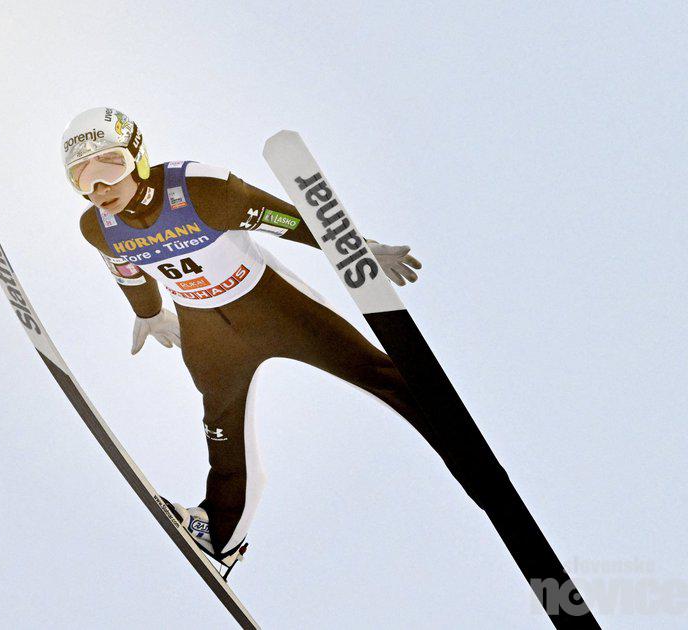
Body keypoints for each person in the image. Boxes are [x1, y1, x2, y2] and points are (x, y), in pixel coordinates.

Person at [64, 106, 429, 566]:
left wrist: (355, 246)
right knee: (221, 431)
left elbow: (287, 219)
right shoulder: (97, 227)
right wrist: (151, 313)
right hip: (208, 335)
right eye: (81, 179)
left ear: (137, 156)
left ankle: (445, 426)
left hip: (271, 307)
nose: (98, 188)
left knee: (372, 371)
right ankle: (220, 534)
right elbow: (129, 273)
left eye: (108, 165)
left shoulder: (200, 189)